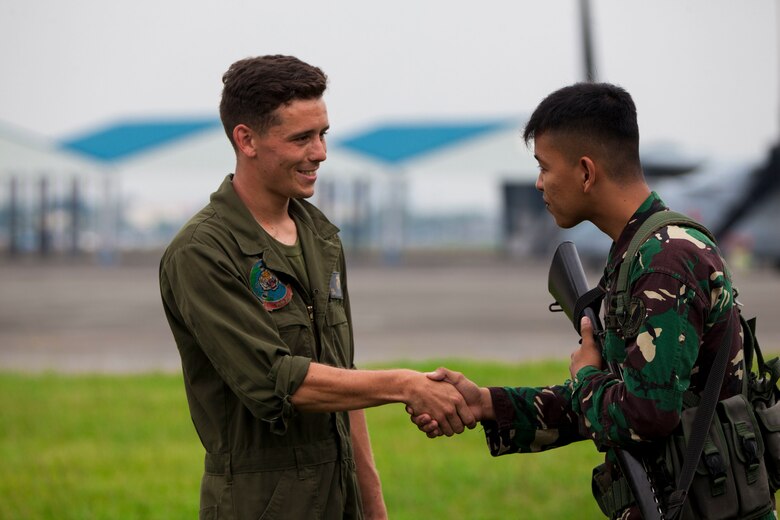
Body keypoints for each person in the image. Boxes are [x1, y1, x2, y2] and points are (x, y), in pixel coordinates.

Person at [410, 82, 775, 519]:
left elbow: (644, 416)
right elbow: (616, 401)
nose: (539, 182)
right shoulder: (641, 251)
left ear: (586, 171)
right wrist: (486, 403)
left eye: (544, 167)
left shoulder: (664, 262)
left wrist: (585, 377)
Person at [159, 55, 475, 520]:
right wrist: (404, 385)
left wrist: (373, 503)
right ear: (245, 139)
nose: (320, 153)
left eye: (323, 134)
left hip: (340, 498)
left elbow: (342, 376)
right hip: (260, 503)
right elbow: (278, 383)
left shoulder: (319, 235)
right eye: (301, 138)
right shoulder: (202, 252)